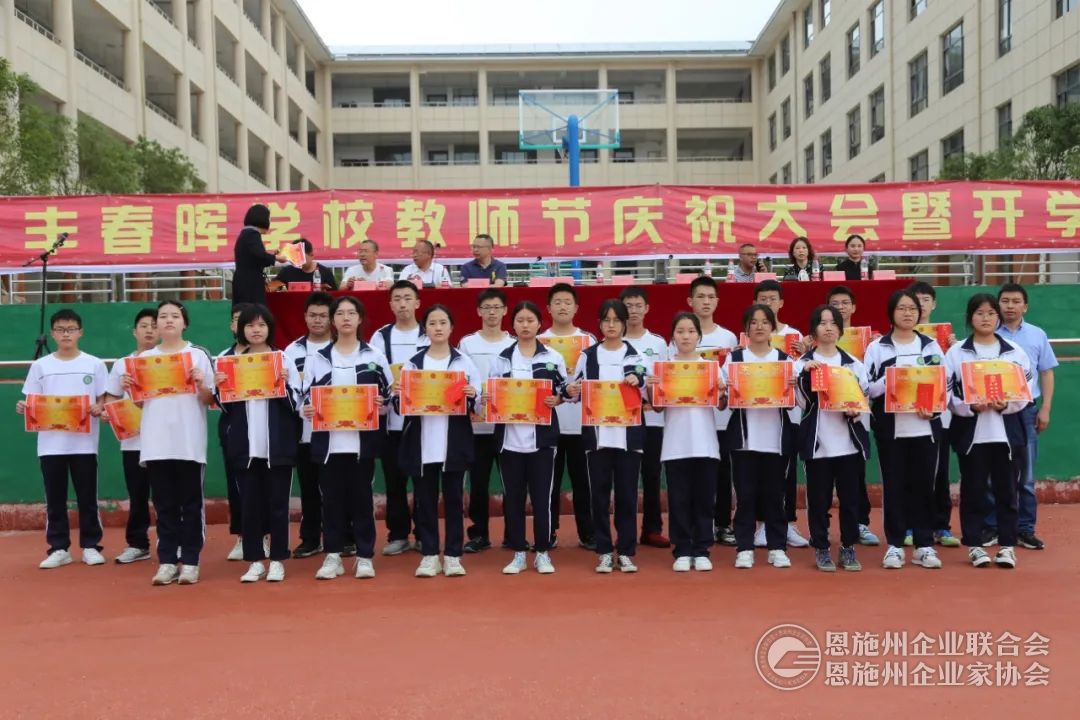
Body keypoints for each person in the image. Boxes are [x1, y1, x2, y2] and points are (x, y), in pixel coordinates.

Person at [124, 300, 216, 586]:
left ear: (184, 323)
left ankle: (190, 561)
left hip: (189, 441)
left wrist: (201, 383)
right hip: (156, 442)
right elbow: (141, 403)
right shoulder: (145, 358)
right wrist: (131, 388)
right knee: (163, 505)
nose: (168, 320)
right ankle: (166, 561)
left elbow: (210, 399)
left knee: (191, 504)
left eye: (175, 316)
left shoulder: (198, 355)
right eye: (162, 316)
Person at [303, 296, 393, 580]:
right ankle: (332, 555)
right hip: (328, 443)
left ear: (359, 319)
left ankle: (364, 556)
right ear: (333, 320)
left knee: (362, 500)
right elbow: (305, 395)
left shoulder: (374, 356)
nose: (345, 318)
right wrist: (307, 408)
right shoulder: (318, 358)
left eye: (351, 313)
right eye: (340, 313)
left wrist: (381, 403)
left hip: (361, 444)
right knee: (331, 501)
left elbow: (390, 395)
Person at [16, 309, 108, 569]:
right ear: (53, 334)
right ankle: (59, 548)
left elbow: (102, 398)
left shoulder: (94, 364)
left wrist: (99, 407)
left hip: (84, 444)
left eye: (71, 329)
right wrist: (24, 407)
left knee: (87, 498)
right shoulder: (41, 366)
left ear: (80, 332)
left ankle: (91, 546)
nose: (66, 334)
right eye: (60, 329)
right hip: (50, 445)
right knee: (55, 500)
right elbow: (31, 400)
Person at [396, 305, 483, 578]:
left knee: (454, 500)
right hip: (422, 443)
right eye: (432, 323)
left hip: (453, 442)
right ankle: (430, 555)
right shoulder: (413, 364)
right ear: (426, 328)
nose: (438, 327)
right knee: (425, 501)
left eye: (443, 322)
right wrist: (400, 394)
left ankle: (454, 555)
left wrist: (472, 394)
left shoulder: (463, 362)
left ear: (451, 327)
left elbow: (479, 401)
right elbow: (400, 406)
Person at [946, 293, 1031, 569]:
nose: (986, 318)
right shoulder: (956, 352)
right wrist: (969, 407)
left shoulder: (1014, 352)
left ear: (998, 317)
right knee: (973, 491)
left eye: (991, 313)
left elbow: (1025, 391)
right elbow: (946, 394)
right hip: (972, 434)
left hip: (1007, 435)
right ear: (970, 318)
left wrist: (1006, 404)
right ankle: (975, 546)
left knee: (1008, 491)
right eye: (980, 313)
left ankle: (1007, 546)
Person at [864, 289, 948, 571]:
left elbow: (943, 385)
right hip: (891, 429)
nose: (908, 313)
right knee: (894, 486)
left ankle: (924, 545)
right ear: (891, 313)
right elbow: (866, 387)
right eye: (901, 308)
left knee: (924, 486)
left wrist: (933, 408)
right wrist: (893, 379)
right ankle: (895, 545)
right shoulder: (878, 348)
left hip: (925, 427)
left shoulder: (930, 346)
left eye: (912, 308)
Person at [215, 305, 299, 583]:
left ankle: (277, 560)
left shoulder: (282, 359)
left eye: (262, 325)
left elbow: (297, 403)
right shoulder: (229, 361)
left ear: (270, 328)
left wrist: (284, 384)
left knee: (278, 505)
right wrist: (220, 387)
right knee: (249, 505)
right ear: (241, 329)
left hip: (277, 447)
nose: (256, 330)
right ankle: (254, 561)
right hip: (244, 448)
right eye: (250, 325)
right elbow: (224, 407)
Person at [565, 299, 647, 574]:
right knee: (598, 497)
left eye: (616, 320)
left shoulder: (636, 356)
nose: (611, 325)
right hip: (597, 438)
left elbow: (647, 389)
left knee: (626, 497)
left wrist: (638, 381)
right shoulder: (588, 356)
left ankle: (625, 551)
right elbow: (572, 390)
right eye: (606, 320)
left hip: (628, 438)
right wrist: (572, 390)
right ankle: (603, 550)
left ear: (624, 323)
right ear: (599, 324)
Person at [487, 301, 568, 574]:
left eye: (530, 320)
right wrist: (489, 400)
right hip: (509, 441)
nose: (525, 325)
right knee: (514, 498)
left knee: (542, 498)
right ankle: (519, 552)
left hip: (542, 441)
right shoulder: (502, 359)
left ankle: (542, 552)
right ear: (513, 324)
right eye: (520, 320)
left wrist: (558, 398)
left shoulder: (552, 357)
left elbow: (563, 390)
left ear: (539, 324)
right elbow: (492, 393)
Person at [720, 304, 796, 570]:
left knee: (775, 496)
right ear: (746, 328)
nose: (760, 326)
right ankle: (744, 548)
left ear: (773, 327)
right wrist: (725, 389)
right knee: (745, 496)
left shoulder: (785, 361)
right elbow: (722, 400)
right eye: (754, 322)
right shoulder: (735, 359)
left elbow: (794, 403)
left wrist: (792, 388)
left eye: (765, 322)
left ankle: (777, 547)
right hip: (744, 440)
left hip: (775, 439)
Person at [794, 305, 870, 572]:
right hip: (819, 444)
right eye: (822, 322)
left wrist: (855, 410)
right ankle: (822, 547)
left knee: (850, 500)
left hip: (849, 444)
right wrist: (805, 374)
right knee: (818, 500)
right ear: (813, 330)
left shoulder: (853, 364)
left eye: (833, 323)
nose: (828, 327)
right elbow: (800, 402)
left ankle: (848, 547)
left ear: (840, 329)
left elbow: (864, 397)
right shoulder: (802, 364)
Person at [649, 312, 720, 572]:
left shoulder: (711, 367)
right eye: (680, 331)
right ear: (673, 337)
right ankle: (682, 549)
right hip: (675, 444)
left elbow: (722, 404)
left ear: (699, 336)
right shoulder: (663, 369)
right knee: (678, 500)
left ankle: (702, 549)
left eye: (691, 331)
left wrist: (722, 389)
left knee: (704, 499)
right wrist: (653, 388)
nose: (686, 336)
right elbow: (657, 408)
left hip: (705, 443)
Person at [992, 282, 1057, 550]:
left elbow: (1047, 371)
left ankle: (1025, 529)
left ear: (1025, 306)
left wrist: (1045, 408)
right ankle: (992, 527)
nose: (1010, 306)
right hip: (992, 411)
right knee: (992, 473)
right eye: (1005, 301)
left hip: (1027, 411)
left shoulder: (1037, 335)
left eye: (1016, 301)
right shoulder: (987, 333)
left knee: (1026, 476)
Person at [675, 276, 738, 545]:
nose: (706, 302)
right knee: (691, 479)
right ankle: (694, 527)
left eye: (711, 297)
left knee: (722, 475)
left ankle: (722, 524)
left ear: (718, 302)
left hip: (721, 416)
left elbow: (732, 375)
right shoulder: (679, 335)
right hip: (690, 418)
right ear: (690, 301)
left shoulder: (728, 337)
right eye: (700, 296)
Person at [369, 280, 430, 555]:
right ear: (390, 304)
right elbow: (372, 374)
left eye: (407, 298)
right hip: (391, 423)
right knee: (395, 482)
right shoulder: (380, 337)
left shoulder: (429, 333)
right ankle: (398, 534)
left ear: (418, 303)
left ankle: (424, 534)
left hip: (423, 421)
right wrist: (387, 390)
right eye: (397, 299)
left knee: (423, 482)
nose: (403, 303)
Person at [539, 283, 597, 549]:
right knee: (548, 483)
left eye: (567, 302)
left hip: (582, 423)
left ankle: (588, 533)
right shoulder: (539, 341)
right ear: (548, 308)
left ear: (576, 308)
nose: (562, 307)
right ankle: (548, 532)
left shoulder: (589, 341)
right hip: (549, 422)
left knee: (584, 482)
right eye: (557, 302)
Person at [751, 280, 809, 548]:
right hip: (758, 414)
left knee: (787, 472)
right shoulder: (749, 336)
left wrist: (805, 355)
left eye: (772, 298)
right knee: (761, 473)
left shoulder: (794, 335)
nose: (768, 303)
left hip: (789, 414)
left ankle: (788, 523)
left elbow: (800, 372)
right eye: (763, 298)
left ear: (781, 302)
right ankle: (763, 524)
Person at [458, 288, 515, 553]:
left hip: (508, 426)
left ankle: (513, 534)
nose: (492, 312)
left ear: (505, 311)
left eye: (497, 307)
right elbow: (460, 379)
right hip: (476, 426)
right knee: (478, 484)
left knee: (512, 483)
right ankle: (479, 534)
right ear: (478, 311)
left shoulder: (514, 343)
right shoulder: (467, 344)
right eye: (487, 307)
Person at [906, 281, 959, 548]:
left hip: (938, 415)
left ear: (934, 304)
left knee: (939, 472)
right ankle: (908, 525)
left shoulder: (944, 338)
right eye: (915, 301)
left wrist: (953, 348)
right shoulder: (899, 338)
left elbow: (951, 375)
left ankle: (940, 525)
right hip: (906, 414)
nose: (921, 305)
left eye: (926, 300)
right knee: (907, 473)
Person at [104, 308, 159, 564]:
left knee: (167, 495)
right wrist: (110, 412)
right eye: (144, 326)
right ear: (134, 331)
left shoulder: (168, 361)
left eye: (154, 326)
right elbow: (110, 399)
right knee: (138, 496)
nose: (149, 330)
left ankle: (172, 542)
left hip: (163, 440)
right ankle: (137, 544)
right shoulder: (121, 365)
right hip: (132, 442)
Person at [284, 292, 336, 559]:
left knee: (337, 488)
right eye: (313, 315)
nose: (317, 320)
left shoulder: (341, 347)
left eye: (323, 316)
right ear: (305, 317)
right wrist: (300, 407)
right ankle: (311, 538)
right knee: (309, 487)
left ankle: (343, 536)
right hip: (304, 432)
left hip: (337, 431)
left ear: (332, 318)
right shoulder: (291, 351)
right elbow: (288, 388)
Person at [827, 285, 880, 546]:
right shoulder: (819, 339)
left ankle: (860, 523)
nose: (840, 307)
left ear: (854, 307)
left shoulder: (868, 341)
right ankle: (821, 527)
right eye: (835, 303)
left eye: (845, 303)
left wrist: (874, 344)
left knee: (856, 475)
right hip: (826, 418)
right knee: (823, 479)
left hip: (856, 414)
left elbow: (869, 379)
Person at [619, 286, 670, 548]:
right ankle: (623, 531)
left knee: (651, 475)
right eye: (628, 305)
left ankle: (652, 528)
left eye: (638, 305)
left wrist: (654, 397)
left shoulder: (658, 343)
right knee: (624, 477)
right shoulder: (613, 342)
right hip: (622, 421)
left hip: (653, 420)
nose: (633, 310)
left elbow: (666, 379)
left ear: (647, 308)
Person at [218, 305, 254, 563]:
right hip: (233, 428)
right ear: (232, 326)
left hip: (264, 428)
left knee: (264, 485)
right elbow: (216, 399)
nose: (243, 325)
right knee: (236, 484)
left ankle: (264, 535)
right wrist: (216, 387)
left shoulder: (270, 356)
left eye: (249, 321)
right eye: (238, 320)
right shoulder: (223, 358)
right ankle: (242, 536)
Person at [232, 203, 287, 306]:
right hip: (249, 284)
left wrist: (272, 256)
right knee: (253, 311)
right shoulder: (252, 234)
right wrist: (276, 257)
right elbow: (259, 255)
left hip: (244, 281)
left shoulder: (246, 234)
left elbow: (255, 258)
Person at [273, 238, 339, 291]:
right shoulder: (287, 271)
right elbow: (271, 288)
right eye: (294, 258)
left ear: (311, 255)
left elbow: (334, 296)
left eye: (300, 258)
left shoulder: (325, 272)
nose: (297, 262)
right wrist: (273, 257)